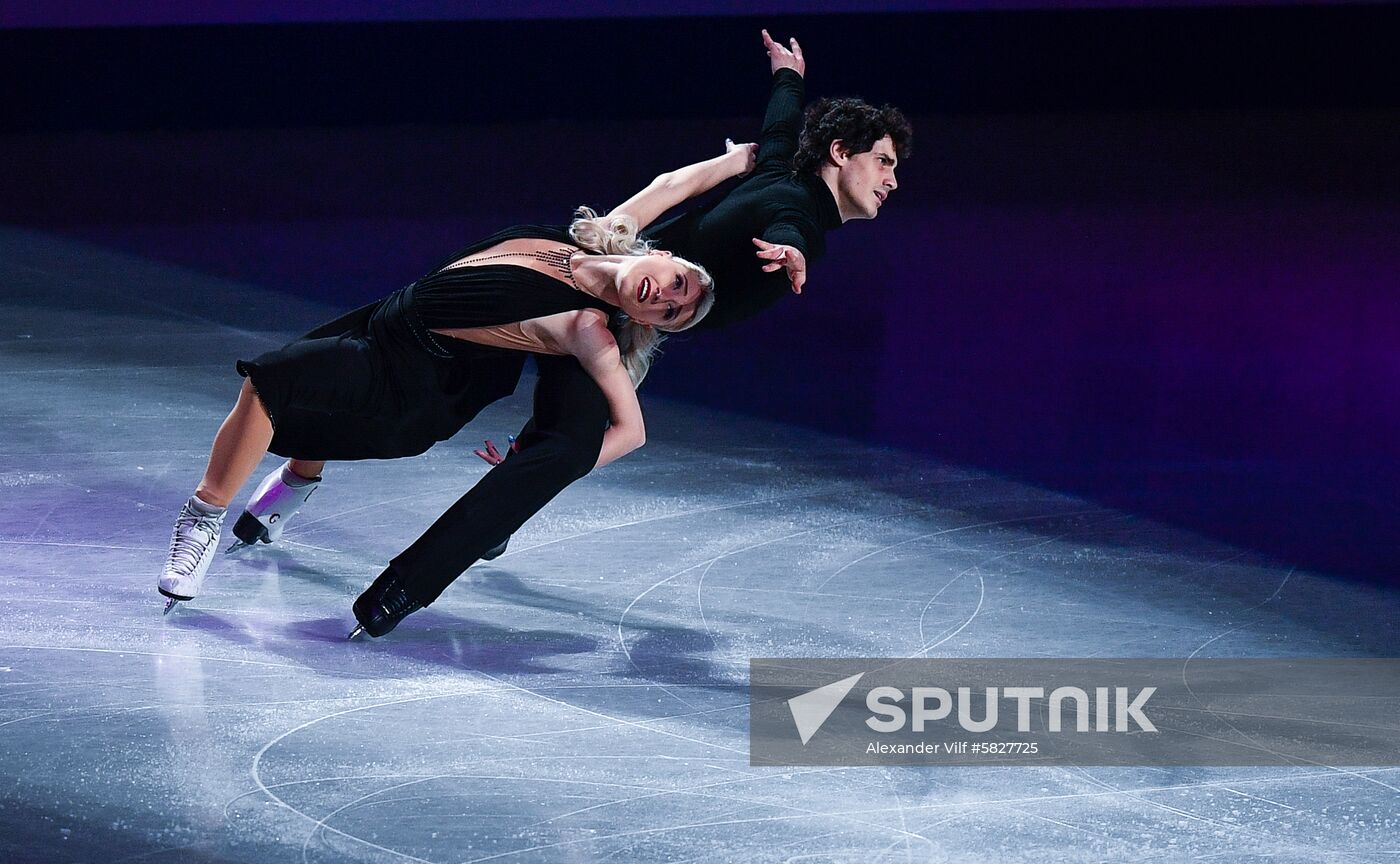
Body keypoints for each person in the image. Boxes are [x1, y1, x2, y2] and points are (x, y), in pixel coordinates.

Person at [155, 140, 758, 632]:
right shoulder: (593, 236)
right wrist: (744, 160)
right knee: (304, 396)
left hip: (417, 379)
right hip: (386, 320)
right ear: (658, 256)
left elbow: (633, 431)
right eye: (678, 282)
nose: (668, 297)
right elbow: (673, 185)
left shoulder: (589, 330)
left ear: (648, 325)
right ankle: (295, 484)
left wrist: (525, 472)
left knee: (272, 383)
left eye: (674, 313)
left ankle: (202, 522)